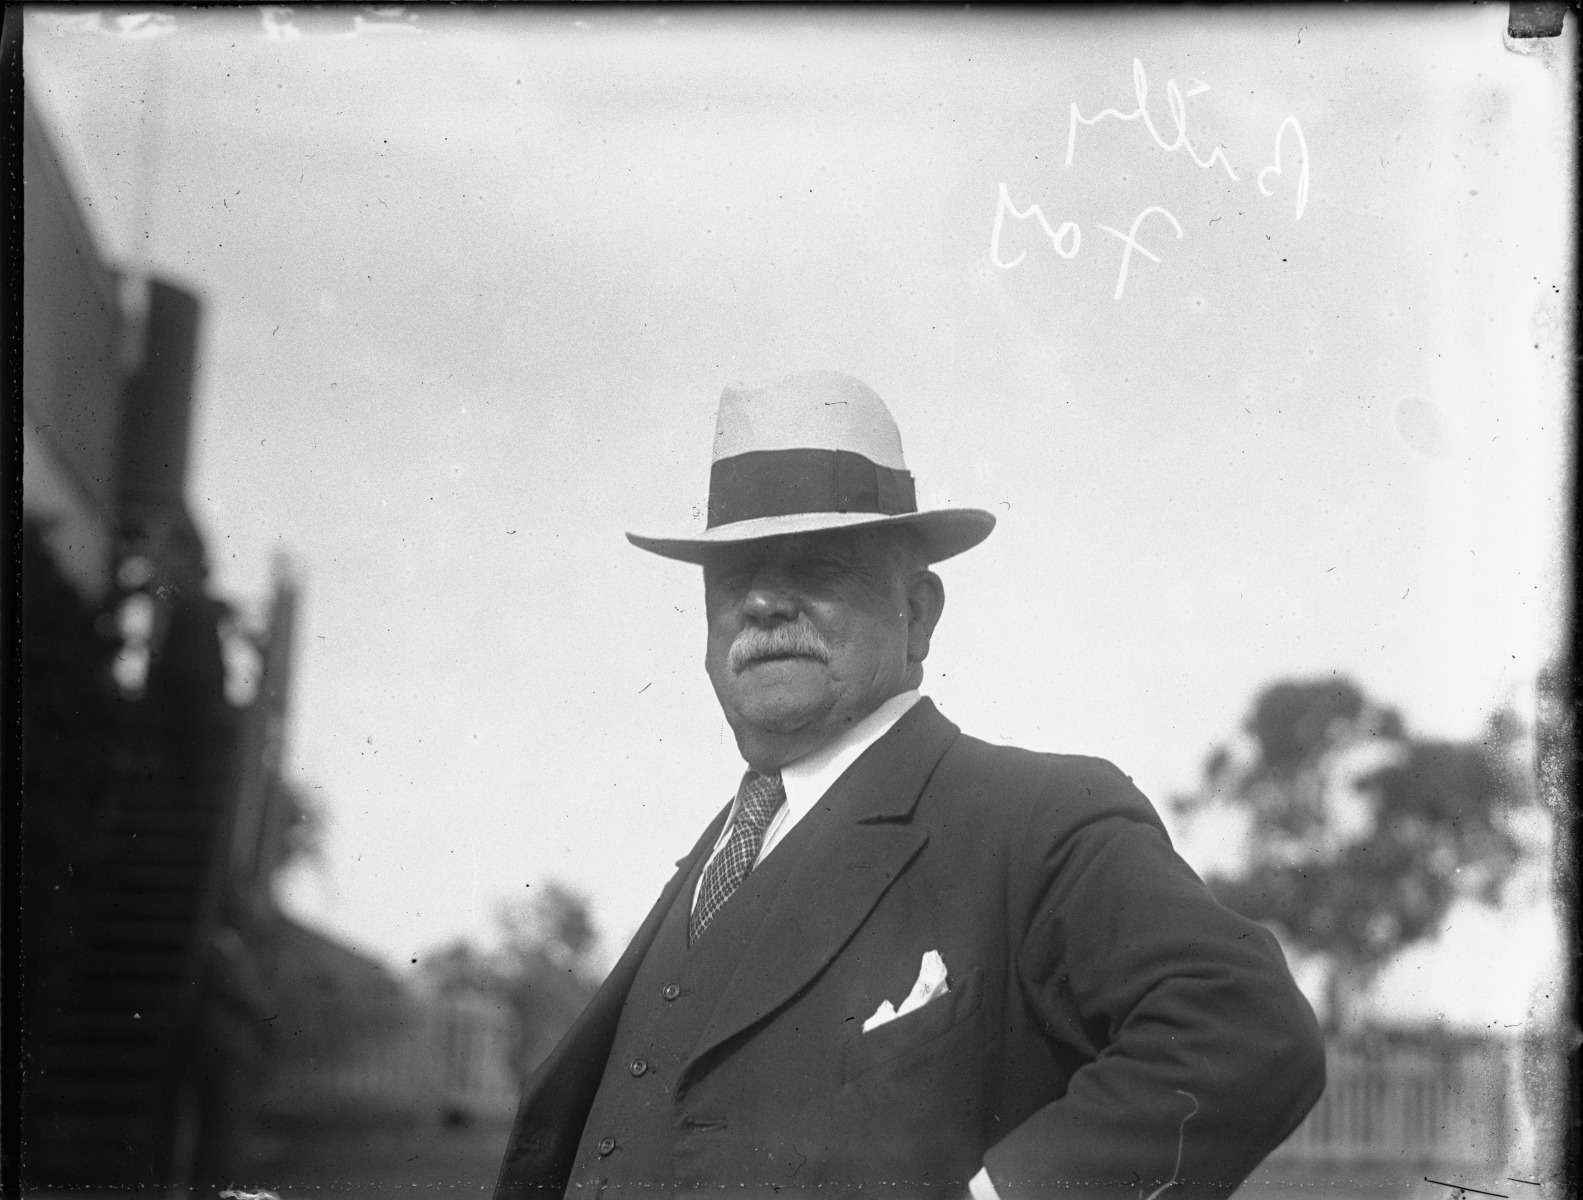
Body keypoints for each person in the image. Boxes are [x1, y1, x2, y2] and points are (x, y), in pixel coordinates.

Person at [494, 371, 1325, 1200]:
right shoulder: (716, 861)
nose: (762, 602)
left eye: (815, 567)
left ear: (918, 613)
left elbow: (1244, 1030)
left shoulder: (1032, 819)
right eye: (731, 576)